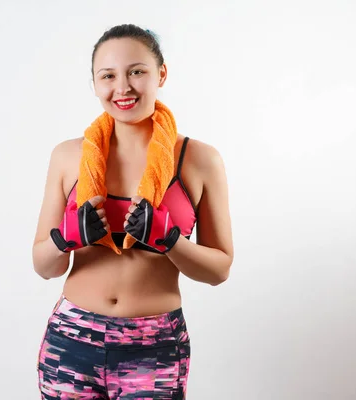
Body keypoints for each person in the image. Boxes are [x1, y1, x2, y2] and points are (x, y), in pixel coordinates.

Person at [32, 23, 234, 399]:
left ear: (161, 73)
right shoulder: (67, 156)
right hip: (72, 338)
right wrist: (66, 237)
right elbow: (44, 265)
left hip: (155, 345)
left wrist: (169, 239)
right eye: (108, 76)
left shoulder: (200, 160)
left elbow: (219, 269)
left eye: (136, 71)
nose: (122, 87)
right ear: (94, 84)